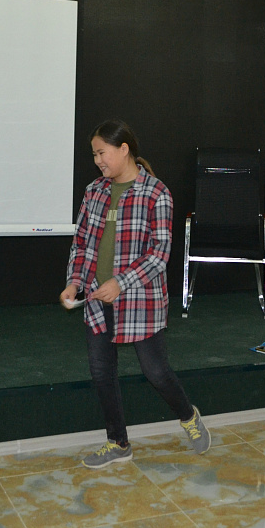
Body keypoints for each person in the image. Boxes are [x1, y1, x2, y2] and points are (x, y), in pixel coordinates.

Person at [61, 119, 210, 469]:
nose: (97, 160)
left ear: (124, 149)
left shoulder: (156, 193)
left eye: (102, 152)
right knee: (102, 373)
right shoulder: (94, 191)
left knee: (156, 372)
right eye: (94, 154)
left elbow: (160, 253)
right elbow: (81, 244)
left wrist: (121, 283)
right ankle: (118, 442)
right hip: (97, 301)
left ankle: (188, 415)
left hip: (140, 301)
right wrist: (74, 283)